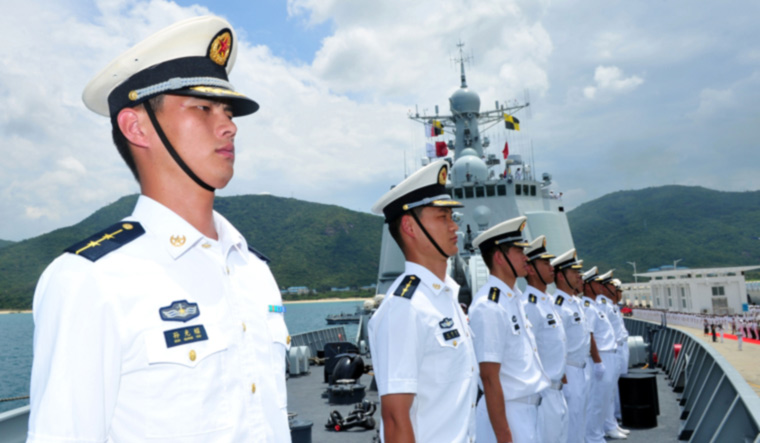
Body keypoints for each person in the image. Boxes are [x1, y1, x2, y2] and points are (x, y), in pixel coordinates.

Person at [27, 16, 292, 442]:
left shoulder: (253, 270)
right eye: (203, 108)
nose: (229, 126)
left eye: (227, 111)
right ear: (136, 127)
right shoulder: (91, 280)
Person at [368, 159, 478, 442]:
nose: (455, 227)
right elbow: (395, 419)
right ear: (410, 227)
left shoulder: (446, 296)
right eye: (442, 218)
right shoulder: (404, 308)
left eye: (451, 217)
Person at [469, 217, 550, 443]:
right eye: (519, 251)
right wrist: (504, 436)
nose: (526, 257)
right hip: (509, 415)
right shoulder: (489, 306)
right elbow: (489, 377)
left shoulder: (512, 299)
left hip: (528, 410)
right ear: (499, 257)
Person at [522, 236, 569, 443]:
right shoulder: (529, 306)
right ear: (530, 270)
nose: (552, 267)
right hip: (544, 393)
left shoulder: (548, 302)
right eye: (545, 263)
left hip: (558, 389)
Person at [551, 249, 594, 443]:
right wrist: (565, 379)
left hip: (582, 368)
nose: (579, 276)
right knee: (571, 421)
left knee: (582, 418)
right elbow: (557, 346)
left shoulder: (575, 302)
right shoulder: (558, 305)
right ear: (560, 276)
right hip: (569, 371)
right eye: (573, 272)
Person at [580, 267, 620, 443]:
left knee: (605, 398)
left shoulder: (597, 306)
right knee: (596, 402)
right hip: (601, 356)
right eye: (596, 283)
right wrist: (597, 361)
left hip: (608, 354)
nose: (600, 286)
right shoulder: (588, 307)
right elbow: (589, 335)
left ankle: (599, 433)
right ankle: (593, 436)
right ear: (587, 286)